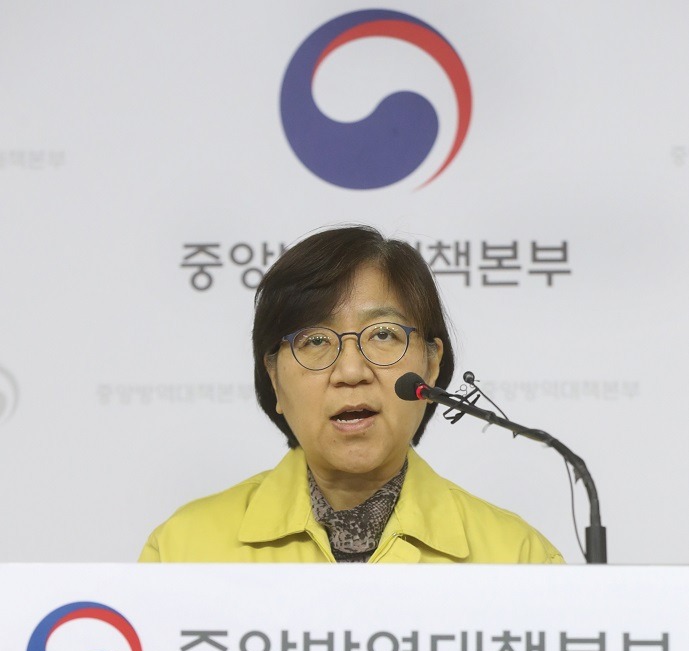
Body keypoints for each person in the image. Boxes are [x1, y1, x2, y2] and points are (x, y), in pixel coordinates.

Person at [139, 225, 563, 564]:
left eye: (383, 334)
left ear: (431, 365)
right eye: (315, 341)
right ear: (274, 378)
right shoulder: (183, 551)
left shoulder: (517, 558)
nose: (351, 372)